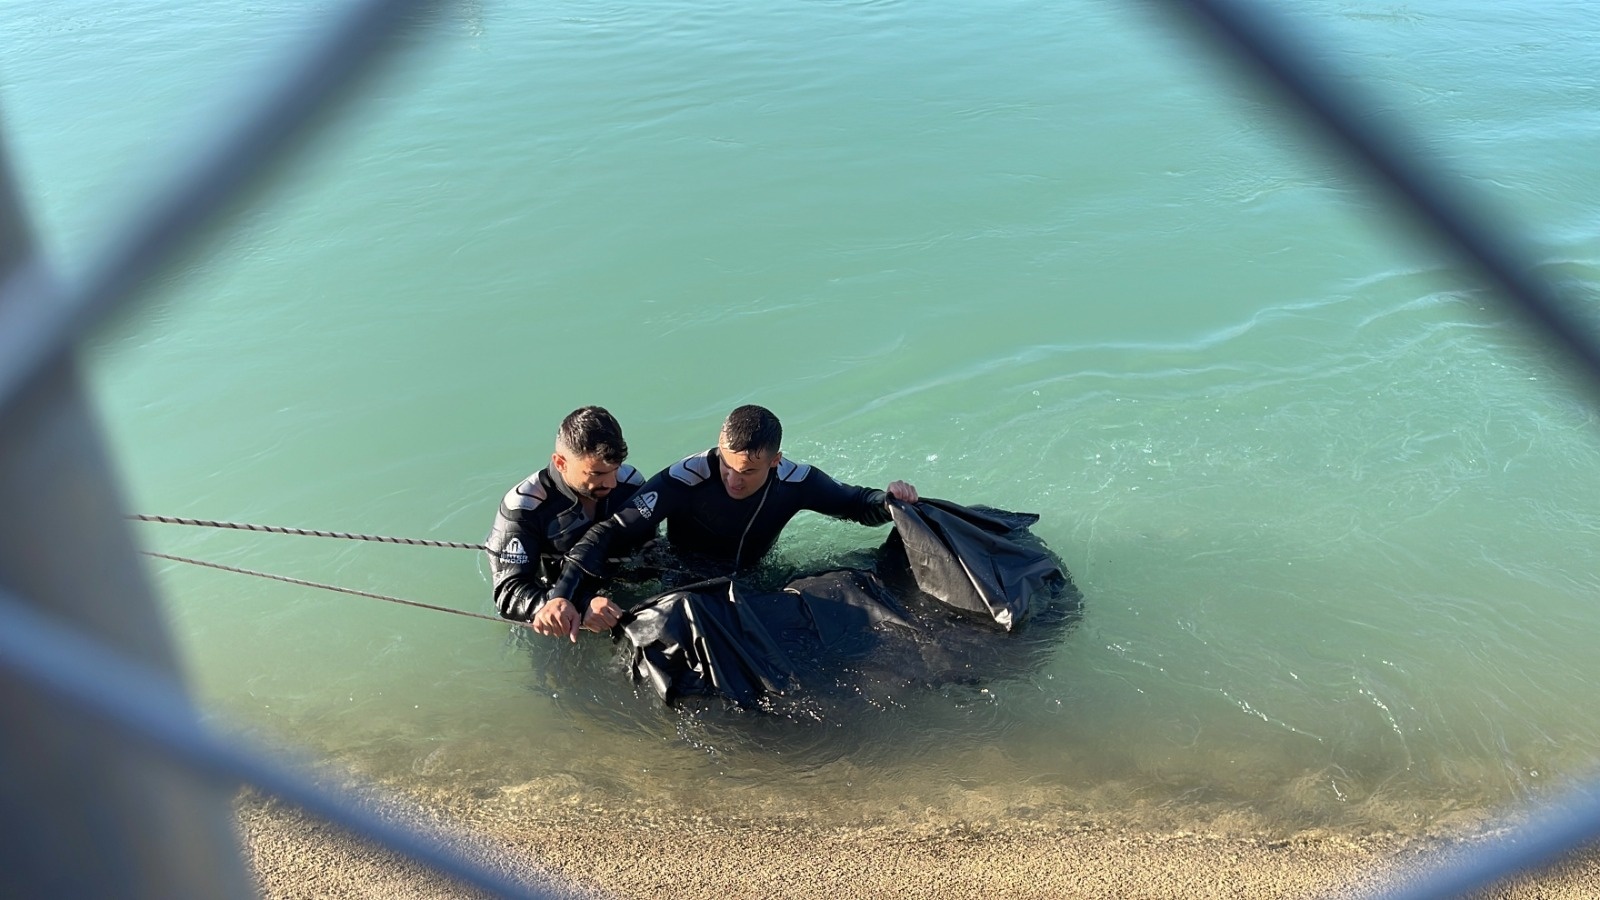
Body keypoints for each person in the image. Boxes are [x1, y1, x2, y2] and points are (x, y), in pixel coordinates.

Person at [547, 404, 918, 608]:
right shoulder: (684, 478)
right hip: (685, 585)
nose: (733, 480)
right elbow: (609, 530)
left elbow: (854, 504)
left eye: (748, 472)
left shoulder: (796, 481)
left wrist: (889, 504)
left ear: (775, 461)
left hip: (756, 578)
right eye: (726, 465)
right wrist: (561, 596)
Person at [485, 406, 655, 641]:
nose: (611, 483)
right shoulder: (524, 506)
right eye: (596, 474)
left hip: (621, 597)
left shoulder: (630, 483)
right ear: (561, 462)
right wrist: (581, 606)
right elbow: (509, 594)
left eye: (615, 470)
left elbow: (650, 549)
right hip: (556, 612)